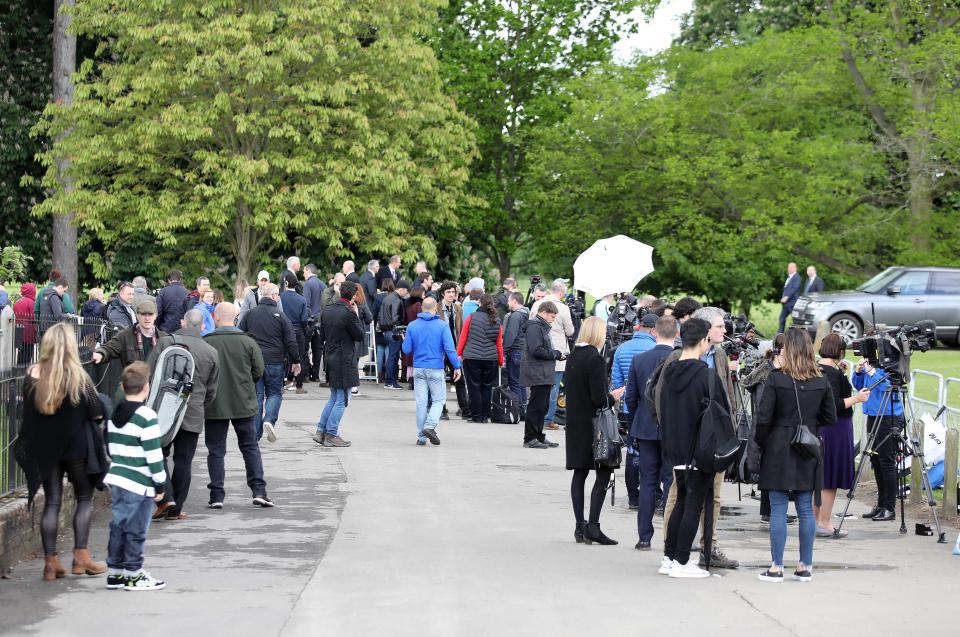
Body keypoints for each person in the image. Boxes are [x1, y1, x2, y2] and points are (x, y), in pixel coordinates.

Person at [17, 322, 107, 581]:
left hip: (47, 450)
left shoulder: (32, 374)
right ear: (69, 346)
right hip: (77, 448)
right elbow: (96, 411)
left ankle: (50, 562)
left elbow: (29, 416)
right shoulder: (79, 377)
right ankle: (81, 557)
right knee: (84, 498)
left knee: (53, 502)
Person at [755, 328, 837, 582]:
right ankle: (805, 565)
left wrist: (762, 442)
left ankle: (776, 566)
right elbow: (830, 417)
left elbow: (764, 418)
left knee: (778, 507)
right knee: (804, 506)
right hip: (808, 445)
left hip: (778, 446)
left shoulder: (776, 379)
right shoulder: (821, 379)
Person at [658, 318, 728, 579]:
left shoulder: (669, 372)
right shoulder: (706, 375)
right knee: (693, 503)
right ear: (703, 341)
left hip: (674, 447)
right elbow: (721, 413)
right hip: (699, 448)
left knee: (681, 502)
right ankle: (682, 561)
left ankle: (669, 557)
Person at [146, 309, 220, 521]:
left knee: (157, 455)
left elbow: (150, 374)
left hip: (164, 410)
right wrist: (198, 404)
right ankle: (176, 508)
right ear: (203, 326)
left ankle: (165, 498)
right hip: (193, 411)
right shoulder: (211, 352)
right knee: (184, 461)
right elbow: (212, 390)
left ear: (182, 322)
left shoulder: (165, 343)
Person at [103, 361, 167, 591]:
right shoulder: (146, 416)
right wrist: (160, 485)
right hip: (139, 482)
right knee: (137, 529)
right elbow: (153, 454)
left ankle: (115, 572)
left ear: (123, 386)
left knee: (119, 525)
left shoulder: (115, 414)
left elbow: (109, 447)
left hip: (118, 478)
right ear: (146, 387)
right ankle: (134, 573)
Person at [203, 303, 273, 508]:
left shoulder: (208, 342)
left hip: (215, 403)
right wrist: (246, 384)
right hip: (243, 401)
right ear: (235, 317)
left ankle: (216, 495)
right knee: (250, 447)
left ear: (215, 317)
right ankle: (258, 490)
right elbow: (258, 370)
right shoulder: (247, 342)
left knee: (216, 450)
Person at [565, 316, 626, 545]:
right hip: (595, 426)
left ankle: (579, 526)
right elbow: (599, 399)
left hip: (575, 423)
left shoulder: (574, 356)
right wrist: (614, 396)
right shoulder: (595, 359)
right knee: (603, 473)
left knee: (579, 473)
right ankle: (593, 526)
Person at [624, 316, 679, 550]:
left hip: (645, 426)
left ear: (654, 333)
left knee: (646, 481)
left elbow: (631, 397)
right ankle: (669, 534)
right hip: (672, 428)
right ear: (676, 334)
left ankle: (644, 536)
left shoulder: (640, 360)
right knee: (670, 481)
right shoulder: (679, 361)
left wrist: (635, 420)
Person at [816, 334, 869, 536]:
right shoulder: (833, 374)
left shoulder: (816, 368)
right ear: (840, 351)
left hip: (820, 428)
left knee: (819, 479)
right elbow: (834, 405)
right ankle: (825, 522)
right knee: (830, 480)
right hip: (836, 429)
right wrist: (857, 398)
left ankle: (815, 521)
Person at [238, 282, 300, 443]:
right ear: (273, 296)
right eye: (278, 294)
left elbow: (240, 336)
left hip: (254, 361)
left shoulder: (250, 314)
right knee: (275, 393)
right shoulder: (280, 315)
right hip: (275, 361)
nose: (279, 297)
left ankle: (255, 434)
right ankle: (269, 419)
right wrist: (296, 360)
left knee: (257, 396)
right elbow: (290, 340)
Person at [402, 297, 462, 445]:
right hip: (435, 367)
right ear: (436, 308)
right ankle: (430, 426)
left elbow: (406, 349)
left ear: (422, 308)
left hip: (419, 368)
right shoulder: (442, 325)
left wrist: (405, 339)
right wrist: (456, 366)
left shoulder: (412, 326)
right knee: (438, 400)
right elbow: (449, 348)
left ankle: (421, 437)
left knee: (421, 403)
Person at [852, 350, 902, 522]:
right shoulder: (870, 365)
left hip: (888, 416)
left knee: (887, 462)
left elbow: (885, 387)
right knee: (875, 460)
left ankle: (889, 508)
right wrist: (858, 371)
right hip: (873, 415)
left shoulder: (890, 365)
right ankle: (880, 505)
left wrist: (872, 372)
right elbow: (860, 386)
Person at [314, 281, 365, 447]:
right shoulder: (348, 312)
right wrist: (356, 314)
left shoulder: (327, 310)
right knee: (342, 399)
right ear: (352, 295)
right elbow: (359, 335)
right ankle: (331, 433)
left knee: (335, 396)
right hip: (344, 360)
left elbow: (322, 336)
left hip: (330, 356)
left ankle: (321, 430)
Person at [530, 279, 575, 431]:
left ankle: (537, 416)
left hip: (539, 350)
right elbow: (570, 331)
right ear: (561, 293)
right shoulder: (563, 308)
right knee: (554, 386)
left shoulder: (537, 304)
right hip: (558, 351)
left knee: (539, 386)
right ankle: (548, 418)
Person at [521, 301, 563, 449]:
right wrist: (556, 354)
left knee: (542, 406)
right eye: (552, 316)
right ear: (544, 313)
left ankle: (538, 435)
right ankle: (530, 437)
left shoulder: (540, 327)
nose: (553, 319)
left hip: (542, 372)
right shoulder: (535, 327)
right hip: (537, 371)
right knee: (536, 406)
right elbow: (536, 350)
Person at [456, 294, 504, 423]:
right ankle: (485, 416)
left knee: (474, 387)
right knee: (487, 387)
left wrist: (458, 354)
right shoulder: (497, 320)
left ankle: (476, 416)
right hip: (491, 359)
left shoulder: (471, 317)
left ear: (480, 304)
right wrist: (500, 360)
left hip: (472, 357)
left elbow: (463, 337)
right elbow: (498, 343)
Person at [93, 298, 169, 369]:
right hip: (134, 381)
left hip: (156, 382)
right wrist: (100, 354)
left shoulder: (164, 338)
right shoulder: (126, 336)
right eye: (143, 314)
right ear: (137, 316)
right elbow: (109, 348)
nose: (147, 318)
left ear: (155, 316)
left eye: (150, 314)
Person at [438, 281, 469, 419]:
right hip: (439, 349)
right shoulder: (436, 308)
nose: (451, 295)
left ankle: (464, 409)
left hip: (454, 349)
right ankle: (441, 409)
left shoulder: (458, 308)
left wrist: (460, 350)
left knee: (459, 378)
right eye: (448, 292)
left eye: (453, 292)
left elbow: (461, 330)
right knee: (440, 379)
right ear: (443, 294)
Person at [280, 272, 310, 394]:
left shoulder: (280, 297)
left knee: (282, 356)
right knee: (300, 357)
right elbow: (304, 320)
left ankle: (282, 383)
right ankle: (299, 385)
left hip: (283, 330)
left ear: (286, 283)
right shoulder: (301, 299)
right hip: (297, 331)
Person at [502, 292, 530, 414]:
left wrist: (504, 350)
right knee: (522, 382)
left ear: (514, 301)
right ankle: (523, 410)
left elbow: (510, 335)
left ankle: (517, 411)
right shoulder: (527, 314)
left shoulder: (515, 316)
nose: (508, 303)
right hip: (524, 351)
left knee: (514, 382)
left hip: (515, 351)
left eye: (509, 300)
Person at [378, 278, 408, 389]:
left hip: (386, 331)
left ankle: (389, 381)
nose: (406, 293)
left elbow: (380, 316)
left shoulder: (386, 298)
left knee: (391, 356)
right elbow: (396, 317)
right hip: (394, 332)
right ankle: (390, 382)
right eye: (406, 290)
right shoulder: (397, 300)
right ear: (401, 289)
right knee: (393, 357)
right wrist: (399, 329)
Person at [303, 264, 326, 382]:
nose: (303, 274)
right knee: (318, 348)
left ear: (308, 271)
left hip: (310, 320)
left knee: (305, 347)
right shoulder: (323, 284)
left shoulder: (308, 284)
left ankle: (306, 373)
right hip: (321, 321)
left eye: (304, 272)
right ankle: (316, 375)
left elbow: (306, 303)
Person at [13, 283, 37, 363]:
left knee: (20, 355)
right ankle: (23, 373)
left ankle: (17, 371)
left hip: (18, 331)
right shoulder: (31, 302)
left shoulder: (18, 301)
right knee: (27, 356)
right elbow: (34, 318)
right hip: (28, 333)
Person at [778, 262, 800, 334]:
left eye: (790, 267)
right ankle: (779, 336)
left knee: (795, 321)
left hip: (792, 303)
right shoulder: (789, 277)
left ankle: (797, 336)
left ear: (795, 268)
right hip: (786, 304)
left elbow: (795, 289)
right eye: (788, 267)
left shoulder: (797, 277)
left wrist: (787, 297)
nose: (788, 269)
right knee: (781, 319)